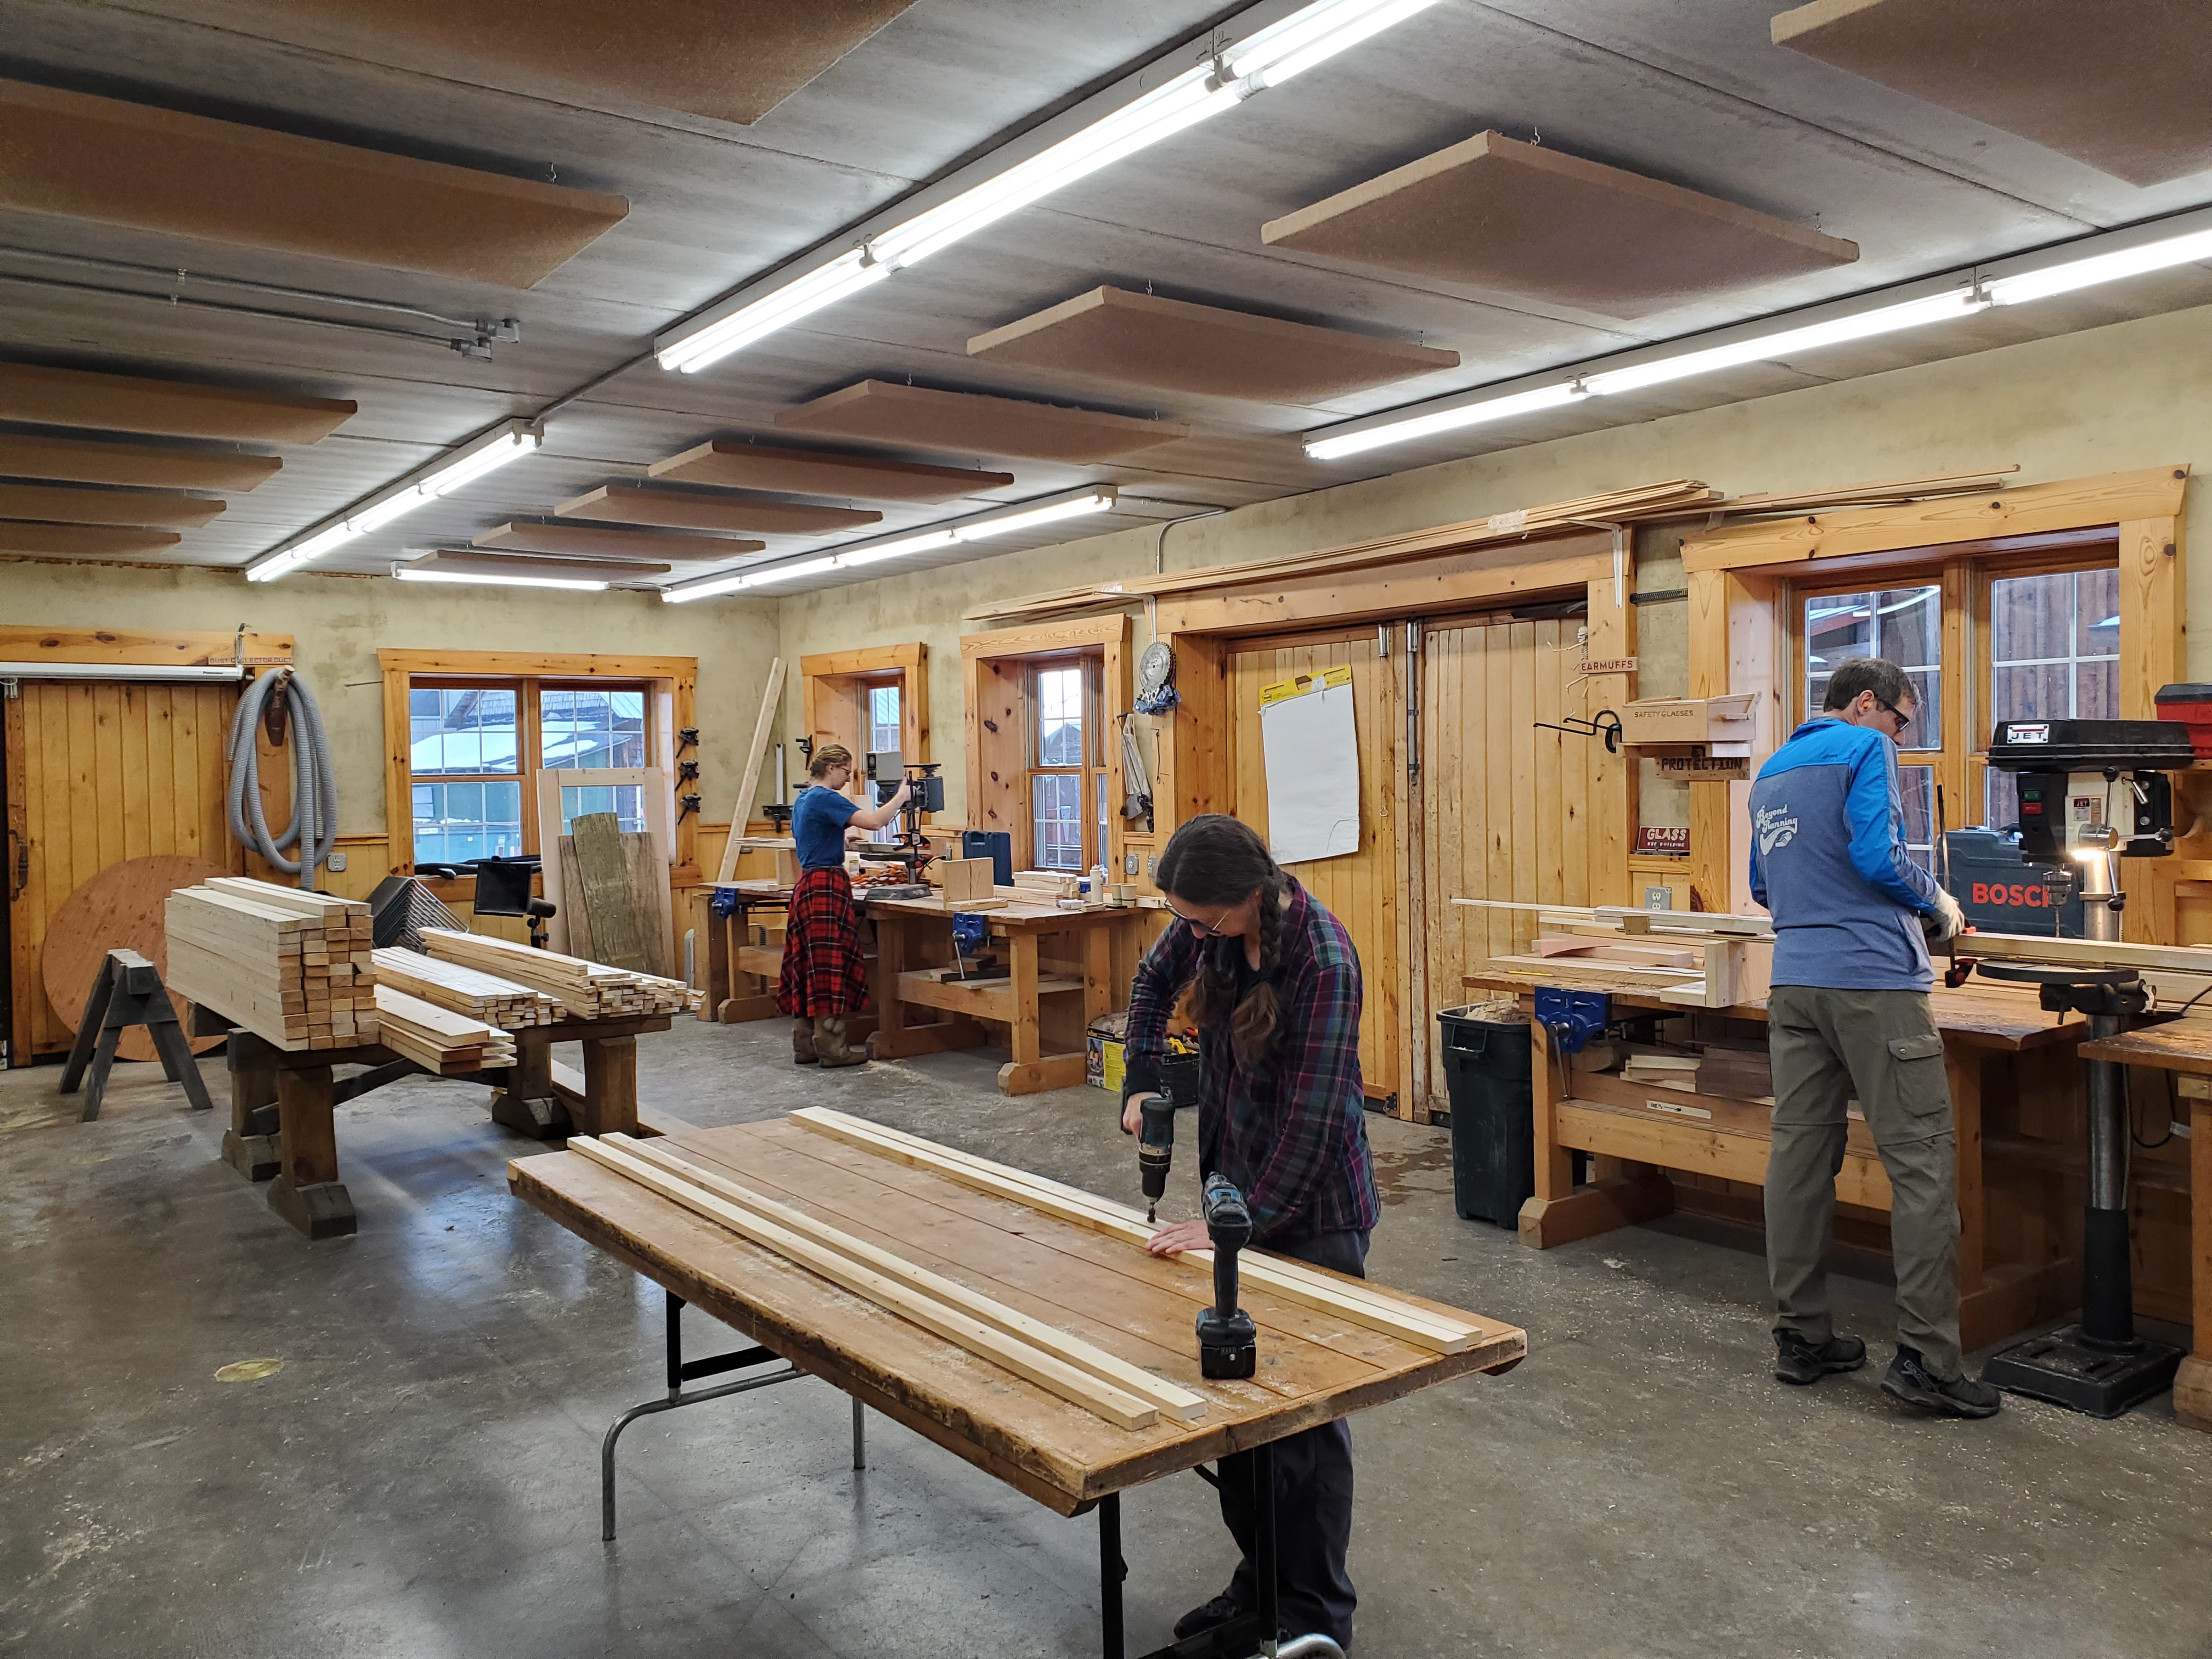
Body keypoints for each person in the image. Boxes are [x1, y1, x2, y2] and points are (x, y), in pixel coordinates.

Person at [1118, 814, 1380, 1651]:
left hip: (1312, 1217)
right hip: (1234, 1200)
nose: (1189, 935)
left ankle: (1315, 1621)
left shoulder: (1324, 962)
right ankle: (1260, 1589)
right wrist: (1140, 1077)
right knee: (1238, 1419)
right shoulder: (1210, 932)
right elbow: (1151, 988)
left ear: (1248, 897)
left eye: (1202, 921)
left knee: (1301, 1426)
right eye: (1185, 920)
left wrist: (1237, 1227)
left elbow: (1313, 1125)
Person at [1748, 657, 1999, 1418]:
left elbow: (1764, 887)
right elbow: (1878, 856)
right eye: (1900, 719)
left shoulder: (1772, 770)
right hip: (1874, 985)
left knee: (1798, 1157)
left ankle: (1802, 1337)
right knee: (1922, 1162)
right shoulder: (1865, 749)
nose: (1900, 734)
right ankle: (1926, 1359)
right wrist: (1942, 903)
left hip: (1794, 985)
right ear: (1866, 704)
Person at [778, 744, 907, 1068]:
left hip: (807, 883)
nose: (848, 779)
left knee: (808, 965)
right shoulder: (826, 798)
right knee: (828, 965)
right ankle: (833, 1048)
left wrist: (840, 839)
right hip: (826, 886)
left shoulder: (804, 799)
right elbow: (876, 822)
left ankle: (805, 1044)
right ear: (832, 767)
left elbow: (810, 836)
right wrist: (902, 797)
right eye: (847, 772)